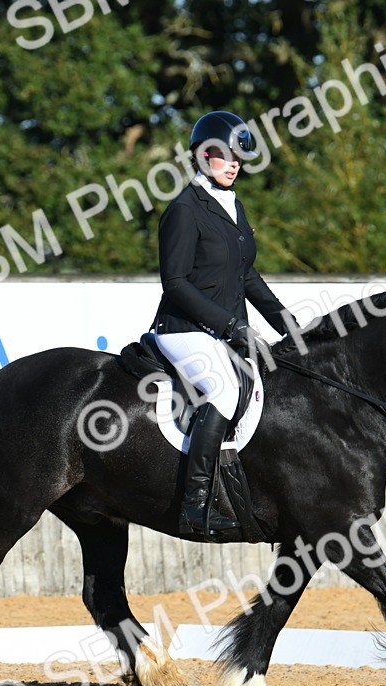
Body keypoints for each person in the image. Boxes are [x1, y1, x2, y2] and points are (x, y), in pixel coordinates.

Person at [150, 110, 295, 541]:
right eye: (223, 156)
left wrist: (286, 323)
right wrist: (231, 325)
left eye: (238, 158)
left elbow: (246, 274)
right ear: (201, 156)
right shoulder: (184, 209)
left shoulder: (233, 205)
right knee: (224, 390)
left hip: (225, 330)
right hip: (184, 330)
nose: (233, 164)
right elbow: (175, 283)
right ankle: (195, 503)